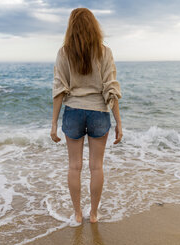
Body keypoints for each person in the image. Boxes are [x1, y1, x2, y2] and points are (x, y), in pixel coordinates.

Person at [50, 7, 122, 225]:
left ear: (71, 27)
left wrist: (53, 123)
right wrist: (118, 121)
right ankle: (93, 214)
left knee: (74, 166)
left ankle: (77, 214)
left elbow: (59, 89)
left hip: (73, 111)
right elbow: (111, 89)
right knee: (96, 167)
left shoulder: (64, 52)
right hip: (99, 111)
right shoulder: (104, 52)